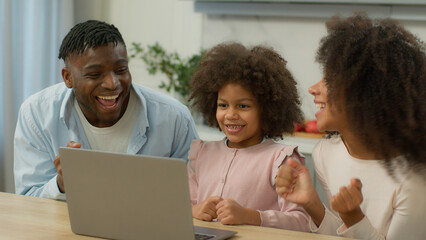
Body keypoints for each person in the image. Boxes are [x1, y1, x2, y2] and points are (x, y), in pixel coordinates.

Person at [275, 13, 426, 240]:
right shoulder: (326, 153)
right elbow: (341, 235)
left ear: (366, 93)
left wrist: (354, 218)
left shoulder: (416, 178)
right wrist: (311, 203)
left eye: (330, 80)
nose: (313, 89)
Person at [14, 20, 199, 200]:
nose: (112, 84)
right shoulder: (36, 114)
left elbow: (199, 196)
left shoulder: (175, 118)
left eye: (121, 70)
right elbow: (28, 199)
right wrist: (62, 183)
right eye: (95, 74)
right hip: (65, 230)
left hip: (153, 229)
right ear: (68, 77)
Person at [187, 42, 310, 231]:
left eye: (243, 106)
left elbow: (303, 222)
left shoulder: (281, 159)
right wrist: (195, 210)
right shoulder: (202, 153)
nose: (230, 115)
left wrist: (252, 217)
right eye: (223, 105)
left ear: (267, 109)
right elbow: (182, 209)